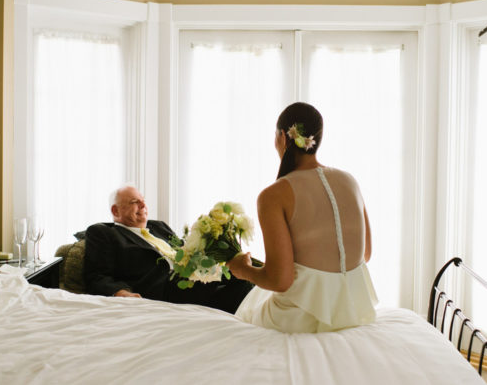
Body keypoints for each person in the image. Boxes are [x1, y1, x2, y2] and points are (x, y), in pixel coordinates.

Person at [227, 102, 378, 332]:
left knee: (247, 312)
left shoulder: (273, 195)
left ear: (282, 137)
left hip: (300, 319)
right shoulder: (350, 180)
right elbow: (364, 254)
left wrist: (242, 269)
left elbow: (281, 280)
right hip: (352, 314)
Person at [84, 185, 253, 314]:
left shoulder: (159, 226)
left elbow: (186, 250)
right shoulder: (103, 233)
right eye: (135, 202)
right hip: (164, 287)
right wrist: (121, 293)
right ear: (115, 210)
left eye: (143, 200)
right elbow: (96, 276)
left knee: (243, 280)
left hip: (193, 279)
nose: (143, 205)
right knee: (239, 272)